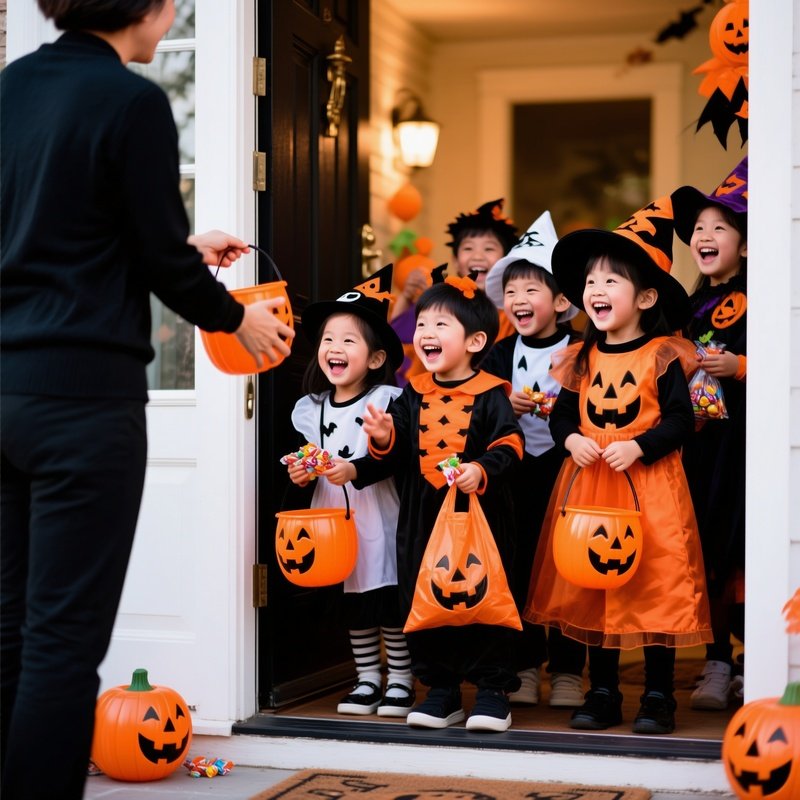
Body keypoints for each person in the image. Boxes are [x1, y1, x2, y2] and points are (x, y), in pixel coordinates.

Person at [0, 2, 295, 798]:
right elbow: (161, 262)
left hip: (5, 392)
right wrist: (238, 318)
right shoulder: (131, 100)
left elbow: (53, 241)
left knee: (9, 630)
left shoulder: (12, 87)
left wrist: (181, 251)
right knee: (62, 642)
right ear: (150, 8)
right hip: (82, 407)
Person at [523, 196, 712, 735]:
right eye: (590, 282)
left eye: (611, 280)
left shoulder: (664, 354)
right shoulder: (580, 358)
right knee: (594, 584)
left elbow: (681, 421)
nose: (597, 290)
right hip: (590, 485)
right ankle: (602, 690)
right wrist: (571, 439)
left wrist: (640, 446)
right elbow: (563, 415)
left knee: (654, 584)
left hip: (650, 486)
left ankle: (657, 695)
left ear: (646, 297)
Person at [362, 276, 524, 732]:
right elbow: (395, 451)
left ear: (475, 341)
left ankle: (492, 690)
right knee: (426, 595)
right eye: (423, 323)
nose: (426, 333)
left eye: (441, 324)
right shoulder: (411, 393)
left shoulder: (491, 392)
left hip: (481, 516)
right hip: (423, 516)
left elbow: (510, 443)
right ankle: (441, 689)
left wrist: (481, 469)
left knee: (486, 595)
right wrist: (384, 436)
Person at [285, 264, 414, 718]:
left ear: (375, 359)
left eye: (348, 340)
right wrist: (302, 473)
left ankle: (401, 679)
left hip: (376, 512)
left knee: (385, 596)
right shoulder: (311, 408)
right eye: (328, 339)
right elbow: (309, 458)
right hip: (331, 521)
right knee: (353, 600)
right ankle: (367, 678)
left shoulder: (386, 401)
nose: (334, 348)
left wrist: (358, 464)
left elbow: (395, 456)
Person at [482, 211, 587, 709]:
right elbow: (479, 407)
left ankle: (567, 670)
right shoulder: (498, 355)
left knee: (569, 567)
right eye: (512, 291)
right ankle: (524, 665)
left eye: (531, 289)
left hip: (568, 472)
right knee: (517, 564)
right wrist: (505, 401)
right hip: (514, 475)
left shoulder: (584, 349)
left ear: (562, 301)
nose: (519, 299)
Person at [672, 158, 749, 710]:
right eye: (699, 227)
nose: (705, 235)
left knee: (740, 547)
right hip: (697, 445)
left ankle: (754, 657)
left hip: (742, 444)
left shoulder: (764, 294)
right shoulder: (687, 305)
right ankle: (717, 660)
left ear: (743, 244)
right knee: (705, 551)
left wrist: (740, 367)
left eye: (719, 227)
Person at [390, 199, 519, 385]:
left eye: (489, 248)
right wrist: (406, 296)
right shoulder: (442, 303)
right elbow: (398, 339)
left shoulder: (512, 310)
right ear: (456, 261)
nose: (477, 256)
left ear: (505, 260)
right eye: (468, 248)